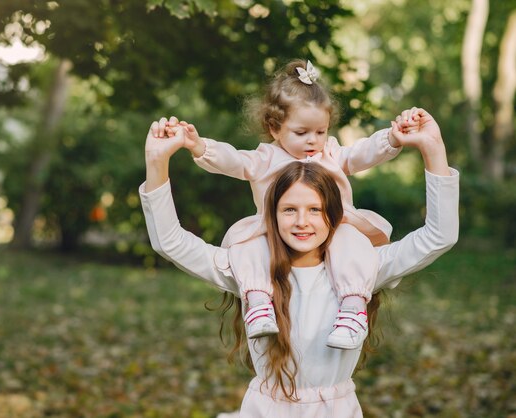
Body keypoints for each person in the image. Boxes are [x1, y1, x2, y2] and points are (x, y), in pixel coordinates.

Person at [140, 107, 458, 416]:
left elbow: (438, 235)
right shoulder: (251, 269)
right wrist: (157, 162)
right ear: (272, 215)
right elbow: (170, 241)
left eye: (315, 210)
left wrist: (433, 150)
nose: (302, 222)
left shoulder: (363, 267)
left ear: (333, 214)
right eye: (289, 209)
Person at [154, 59, 404, 350]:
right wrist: (199, 146)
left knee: (351, 243)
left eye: (320, 132)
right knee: (248, 247)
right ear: (275, 128)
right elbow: (234, 160)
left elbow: (361, 153)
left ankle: (352, 308)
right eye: (302, 133)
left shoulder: (331, 153)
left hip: (333, 226)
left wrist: (391, 139)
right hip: (274, 231)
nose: (313, 140)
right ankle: (259, 304)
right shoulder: (265, 158)